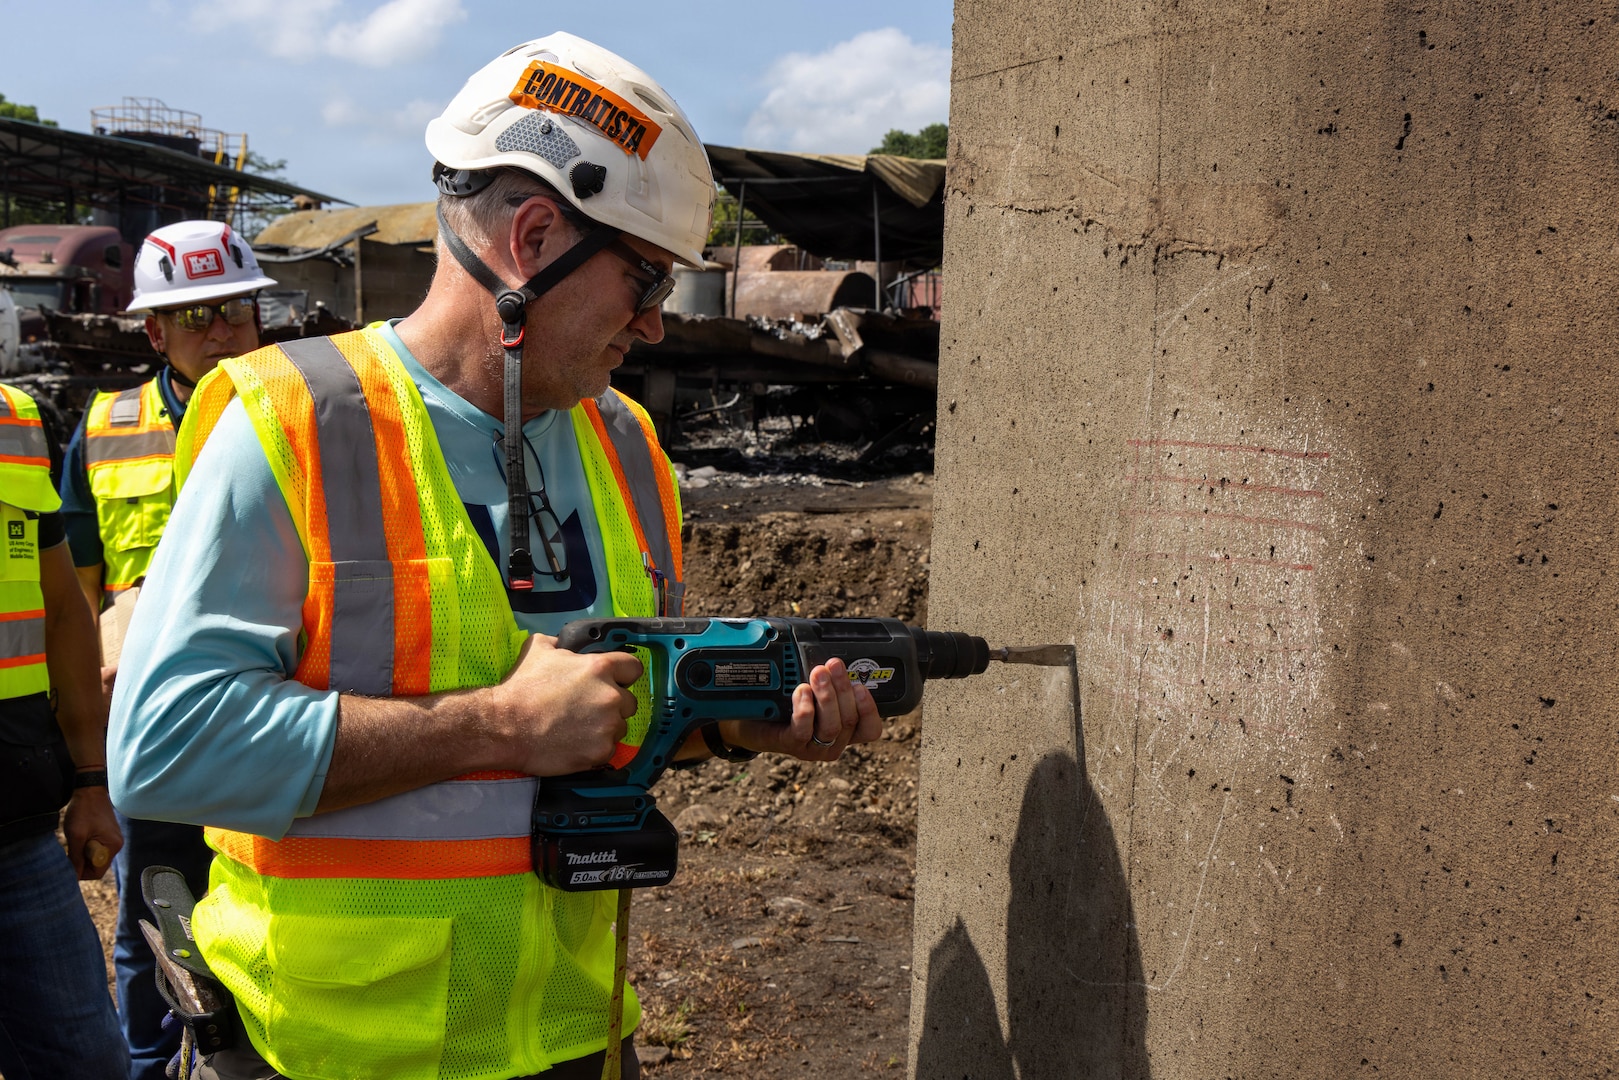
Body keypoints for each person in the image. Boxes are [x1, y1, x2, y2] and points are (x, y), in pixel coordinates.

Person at [110, 32, 881, 1080]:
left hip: (570, 1043)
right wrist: (494, 727)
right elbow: (165, 750)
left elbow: (612, 716)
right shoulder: (295, 425)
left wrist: (739, 726)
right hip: (328, 1059)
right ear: (530, 239)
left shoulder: (625, 449)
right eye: (644, 282)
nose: (653, 328)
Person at [59, 219, 278, 1080]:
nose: (222, 330)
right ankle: (149, 1065)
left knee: (270, 907)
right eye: (198, 316)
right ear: (156, 332)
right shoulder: (107, 429)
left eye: (236, 310)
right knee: (157, 911)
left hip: (273, 716)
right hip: (154, 727)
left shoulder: (306, 410)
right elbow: (76, 590)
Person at [0, 381, 128, 1078]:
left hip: (17, 844)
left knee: (86, 1062)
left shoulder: (13, 419)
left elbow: (62, 612)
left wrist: (89, 782)